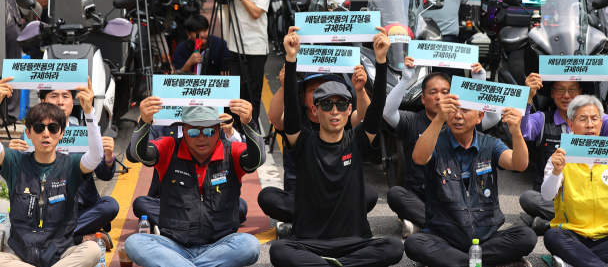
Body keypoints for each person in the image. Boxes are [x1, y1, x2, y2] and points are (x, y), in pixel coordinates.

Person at [269, 27, 404, 267]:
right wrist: (291, 59)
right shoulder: (302, 142)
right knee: (279, 250)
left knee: (394, 247)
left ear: (350, 110)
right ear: (314, 109)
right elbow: (290, 109)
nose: (334, 111)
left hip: (354, 242)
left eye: (342, 105)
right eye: (327, 104)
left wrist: (381, 61)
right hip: (309, 242)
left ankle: (329, 265)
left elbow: (376, 110)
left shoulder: (358, 140)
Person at [126, 97, 265, 267]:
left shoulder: (232, 150)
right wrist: (144, 123)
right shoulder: (169, 147)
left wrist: (249, 123)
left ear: (218, 129)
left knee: (249, 245)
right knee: (134, 243)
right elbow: (138, 154)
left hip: (220, 246)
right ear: (183, 130)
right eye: (193, 132)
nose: (201, 138)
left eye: (208, 132)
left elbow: (256, 159)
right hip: (174, 246)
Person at [404, 92, 537, 267]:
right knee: (414, 244)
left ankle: (454, 262)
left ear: (480, 116)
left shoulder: (490, 144)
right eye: (453, 110)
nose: (458, 116)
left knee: (527, 237)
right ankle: (483, 263)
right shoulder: (435, 141)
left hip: (485, 239)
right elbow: (419, 158)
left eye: (465, 110)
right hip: (445, 237)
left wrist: (516, 133)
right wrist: (438, 119)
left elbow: (519, 164)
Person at [259, 65, 378, 238]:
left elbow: (366, 118)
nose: (323, 92)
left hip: (338, 195)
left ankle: (309, 224)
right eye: (315, 90)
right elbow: (275, 117)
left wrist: (360, 90)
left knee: (369, 194)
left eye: (328, 89)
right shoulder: (295, 120)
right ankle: (324, 222)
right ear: (303, 96)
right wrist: (285, 86)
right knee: (267, 197)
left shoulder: (340, 118)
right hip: (301, 196)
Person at [0, 79, 104, 267]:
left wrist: (89, 111)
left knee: (93, 250)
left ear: (62, 133)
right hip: (19, 257)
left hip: (61, 256)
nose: (46, 134)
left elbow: (97, 155)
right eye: (39, 128)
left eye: (53, 128)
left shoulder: (71, 164)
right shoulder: (15, 161)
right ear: (29, 133)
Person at [384, 57, 490, 238]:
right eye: (433, 92)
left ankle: (427, 227)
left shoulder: (459, 120)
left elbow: (491, 118)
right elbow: (387, 112)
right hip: (419, 196)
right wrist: (404, 80)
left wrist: (480, 82)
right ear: (423, 99)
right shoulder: (412, 120)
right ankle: (449, 228)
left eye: (445, 92)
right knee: (395, 194)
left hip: (451, 195)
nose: (439, 97)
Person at [519, 73, 608, 235]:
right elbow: (522, 131)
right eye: (560, 90)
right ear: (551, 93)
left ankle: (550, 224)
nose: (566, 95)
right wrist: (527, 97)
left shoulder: (596, 120)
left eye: (572, 89)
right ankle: (582, 220)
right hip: (551, 194)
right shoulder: (542, 119)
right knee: (528, 198)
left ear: (581, 92)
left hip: (589, 194)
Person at [543, 95, 608, 267]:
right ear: (571, 125)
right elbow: (546, 195)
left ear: (601, 123)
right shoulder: (561, 156)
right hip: (573, 236)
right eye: (583, 119)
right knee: (552, 237)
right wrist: (557, 172)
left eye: (594, 119)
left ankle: (575, 261)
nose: (590, 124)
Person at [201, 0, 271, 125]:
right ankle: (234, 133)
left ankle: (251, 131)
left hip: (255, 48)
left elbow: (256, 13)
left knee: (252, 93)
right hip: (234, 47)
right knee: (233, 95)